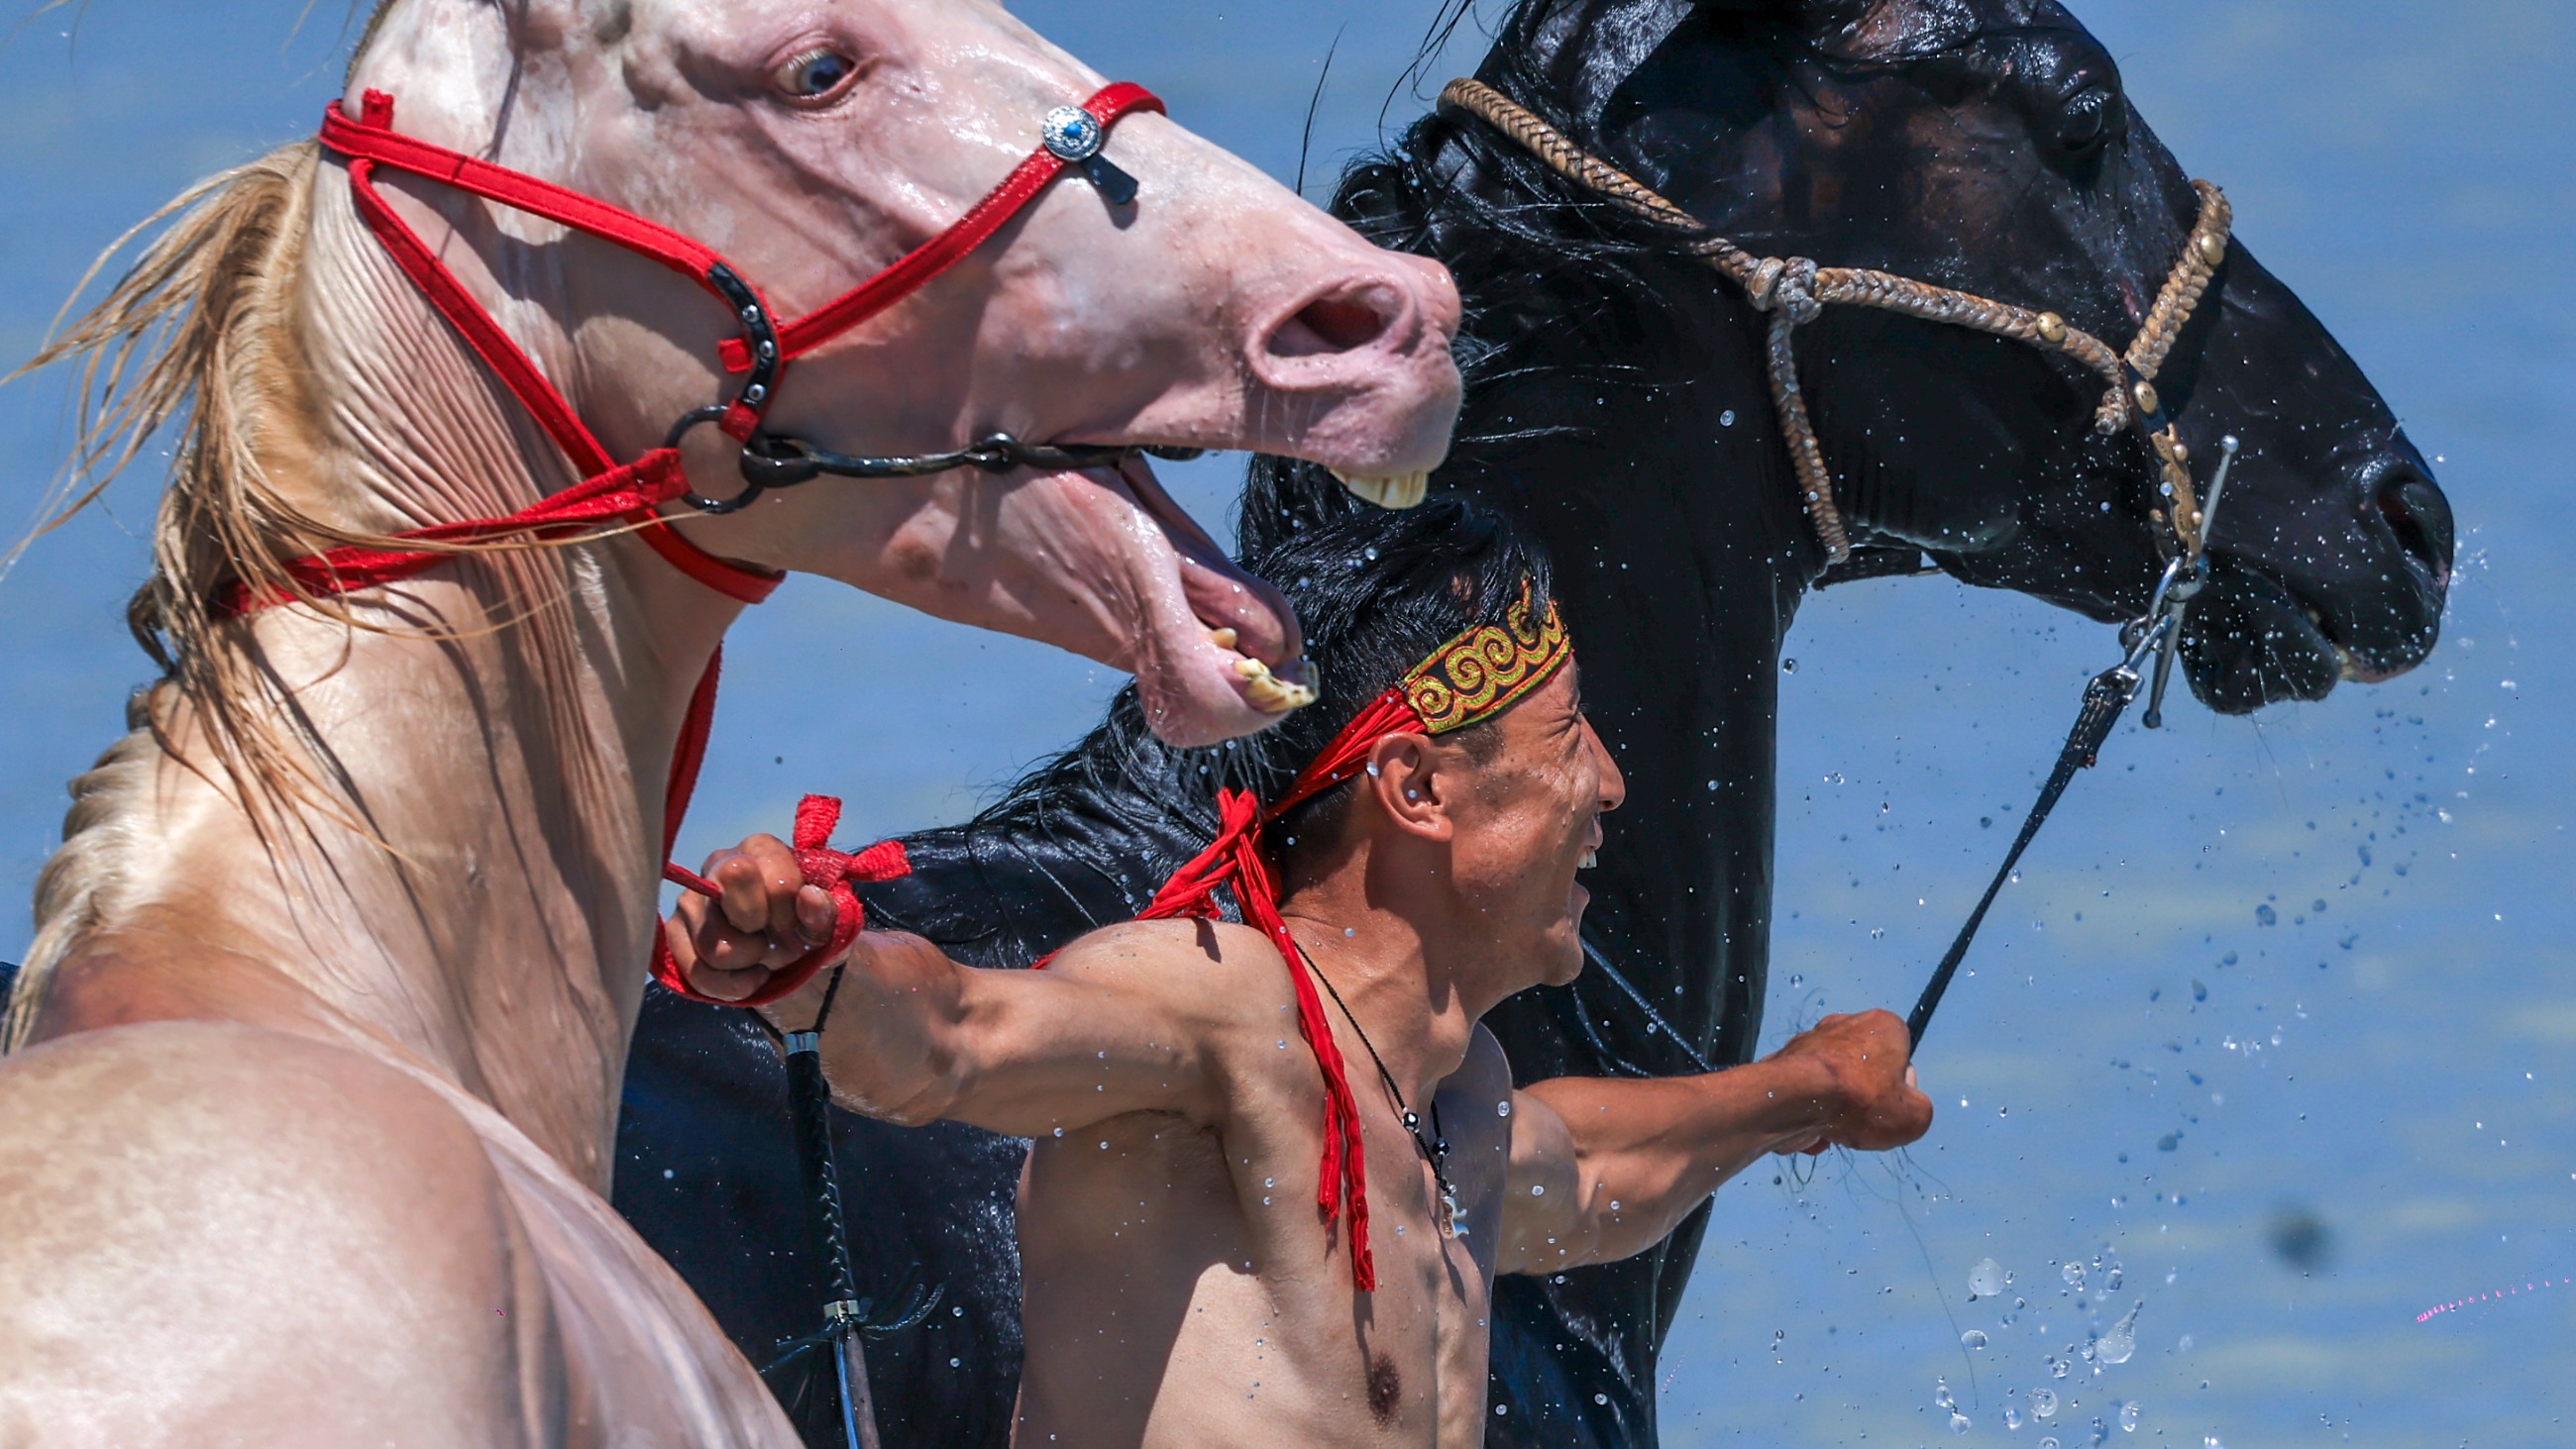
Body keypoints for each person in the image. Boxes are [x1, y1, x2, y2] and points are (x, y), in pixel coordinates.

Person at [667, 501, 1932, 1447]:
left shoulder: (1459, 1104)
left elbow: (1595, 1167)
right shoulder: (1228, 1007)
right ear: (1417, 789)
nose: (1607, 781)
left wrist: (1809, 1087)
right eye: (1565, 736)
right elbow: (956, 1031)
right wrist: (815, 963)